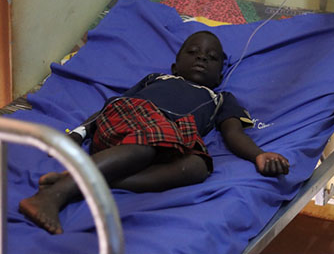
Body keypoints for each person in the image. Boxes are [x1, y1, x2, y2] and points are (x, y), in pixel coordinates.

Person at [19, 31, 290, 235]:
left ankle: (93, 179)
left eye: (212, 58)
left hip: (174, 139)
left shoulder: (220, 98)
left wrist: (260, 155)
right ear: (174, 67)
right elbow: (111, 106)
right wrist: (79, 134)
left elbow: (234, 134)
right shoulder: (156, 80)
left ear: (219, 76)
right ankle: (54, 195)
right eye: (193, 52)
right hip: (133, 121)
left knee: (198, 167)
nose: (201, 58)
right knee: (144, 145)